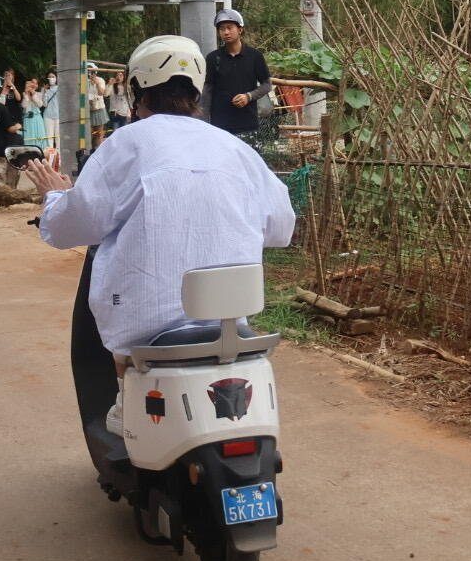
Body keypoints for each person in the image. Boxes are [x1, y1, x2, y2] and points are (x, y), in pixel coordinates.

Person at [26, 35, 295, 433]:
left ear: (136, 91)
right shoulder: (234, 148)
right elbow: (281, 227)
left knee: (129, 315)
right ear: (197, 90)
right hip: (230, 320)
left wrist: (54, 197)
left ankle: (125, 401)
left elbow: (75, 225)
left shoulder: (126, 144)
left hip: (151, 327)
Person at [203, 9, 272, 136]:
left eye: (230, 28)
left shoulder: (254, 56)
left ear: (240, 30)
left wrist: (248, 96)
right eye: (222, 29)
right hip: (219, 125)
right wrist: (204, 120)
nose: (226, 32)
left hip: (248, 124)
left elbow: (267, 85)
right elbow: (207, 89)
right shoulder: (213, 58)